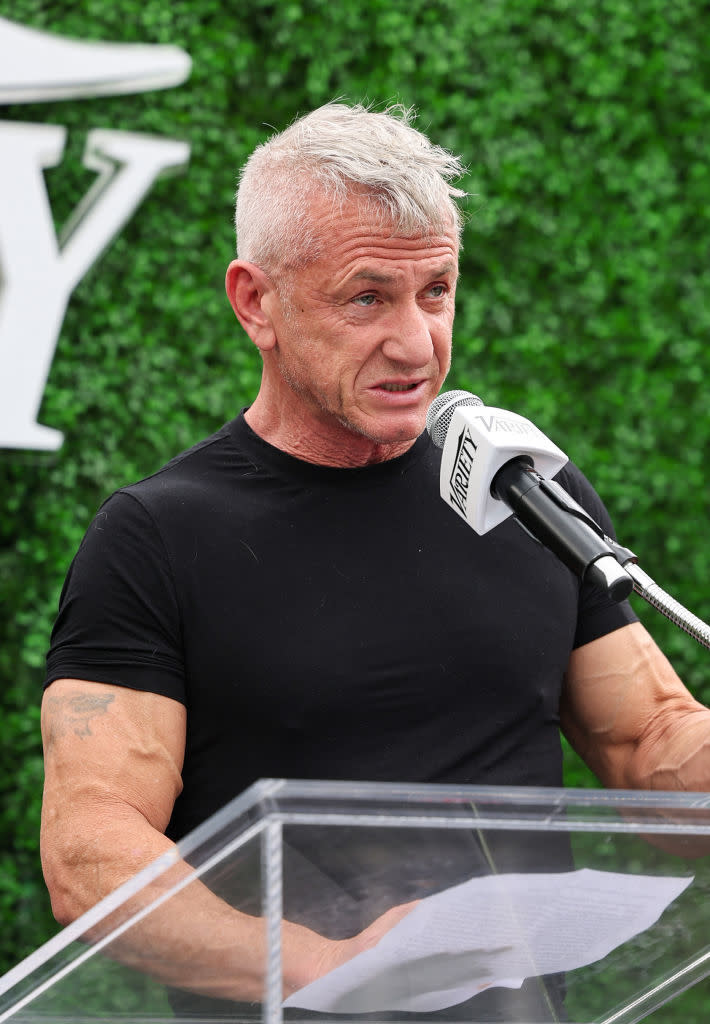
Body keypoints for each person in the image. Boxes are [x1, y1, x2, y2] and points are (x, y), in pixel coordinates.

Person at [41, 102, 710, 1019]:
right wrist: (329, 968)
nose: (416, 342)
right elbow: (91, 847)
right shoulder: (155, 537)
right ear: (255, 302)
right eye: (367, 298)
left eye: (436, 291)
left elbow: (650, 741)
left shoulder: (517, 490)